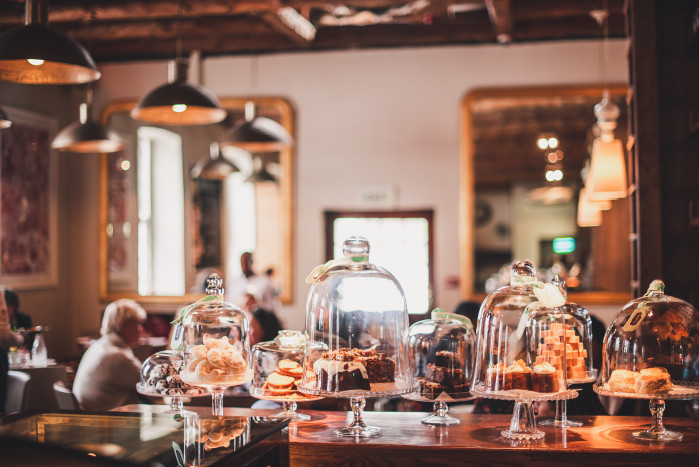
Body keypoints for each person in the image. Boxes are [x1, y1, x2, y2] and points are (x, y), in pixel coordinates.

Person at [73, 298, 147, 411]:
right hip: (102, 419)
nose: (141, 330)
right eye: (138, 324)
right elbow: (151, 387)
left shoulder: (99, 346)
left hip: (88, 414)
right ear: (123, 325)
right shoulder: (117, 356)